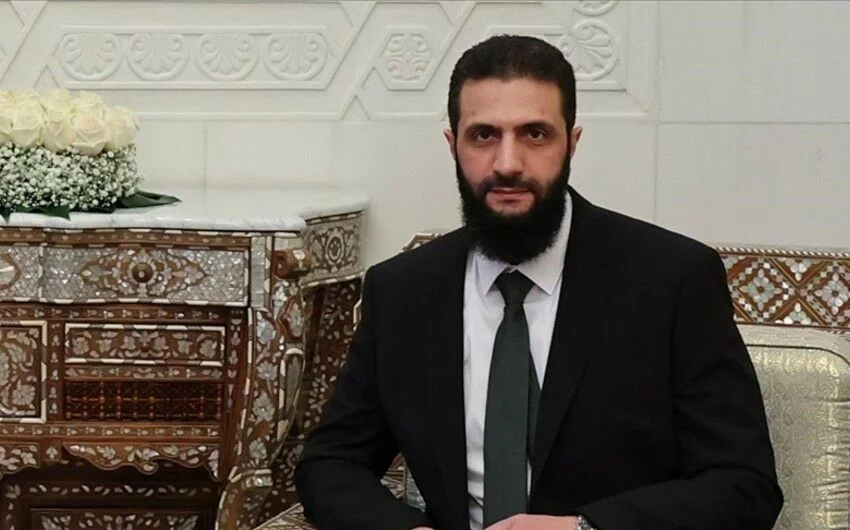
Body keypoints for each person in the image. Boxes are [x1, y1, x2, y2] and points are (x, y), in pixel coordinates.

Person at [295, 35, 782, 530]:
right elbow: (331, 464)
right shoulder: (403, 291)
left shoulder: (672, 280)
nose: (507, 163)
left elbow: (743, 485)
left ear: (572, 142)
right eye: (483, 135)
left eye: (535, 134)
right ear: (453, 144)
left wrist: (582, 529)